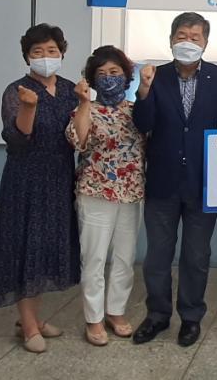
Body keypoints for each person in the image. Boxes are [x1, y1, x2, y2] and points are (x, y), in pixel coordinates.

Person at [132, 12, 217, 347]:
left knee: (196, 256)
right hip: (162, 180)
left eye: (195, 37)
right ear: (171, 39)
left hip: (204, 183)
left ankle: (191, 317)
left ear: (205, 42)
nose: (188, 42)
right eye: (182, 36)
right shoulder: (155, 76)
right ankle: (157, 315)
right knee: (158, 256)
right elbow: (143, 124)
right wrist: (144, 89)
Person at [0, 24, 80, 353]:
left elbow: (78, 135)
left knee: (44, 250)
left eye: (52, 50)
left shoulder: (70, 89)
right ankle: (28, 327)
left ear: (62, 53)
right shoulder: (17, 90)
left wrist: (87, 103)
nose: (45, 56)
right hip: (25, 180)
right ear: (27, 56)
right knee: (26, 248)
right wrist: (28, 107)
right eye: (37, 51)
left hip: (59, 179)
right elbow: (17, 140)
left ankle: (33, 319)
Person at [65, 46, 145, 346]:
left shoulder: (137, 111)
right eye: (101, 74)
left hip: (131, 193)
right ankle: (94, 318)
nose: (109, 78)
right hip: (95, 192)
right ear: (92, 79)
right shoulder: (84, 109)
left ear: (126, 76)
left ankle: (116, 311)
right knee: (94, 258)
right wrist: (84, 102)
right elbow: (79, 140)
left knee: (125, 257)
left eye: (115, 72)